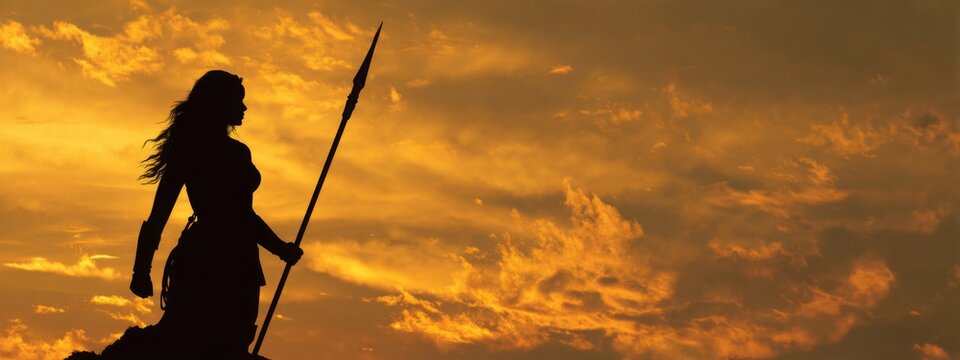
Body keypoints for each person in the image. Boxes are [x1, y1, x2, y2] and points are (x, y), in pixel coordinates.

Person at [130, 70, 303, 357]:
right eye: (238, 101)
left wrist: (141, 269)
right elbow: (241, 216)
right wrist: (279, 248)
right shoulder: (231, 153)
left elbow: (158, 216)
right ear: (219, 104)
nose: (244, 108)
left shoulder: (187, 149)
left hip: (208, 254)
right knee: (229, 343)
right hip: (230, 259)